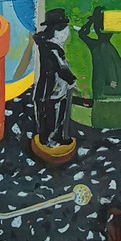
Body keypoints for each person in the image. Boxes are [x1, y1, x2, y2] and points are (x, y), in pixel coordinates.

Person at [32, 9, 76, 152]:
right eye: (65, 30)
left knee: (48, 112)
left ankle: (50, 137)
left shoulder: (45, 43)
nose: (67, 33)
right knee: (55, 113)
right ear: (57, 31)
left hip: (47, 86)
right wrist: (71, 80)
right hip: (54, 87)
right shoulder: (54, 48)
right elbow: (61, 67)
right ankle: (52, 140)